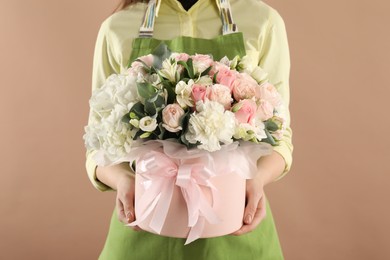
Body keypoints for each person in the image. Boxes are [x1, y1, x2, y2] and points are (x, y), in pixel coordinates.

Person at [85, 0, 293, 259]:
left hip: (232, 223)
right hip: (145, 222)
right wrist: (123, 181)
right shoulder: (117, 28)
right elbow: (97, 142)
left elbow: (280, 134)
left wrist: (257, 179)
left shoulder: (263, 22)